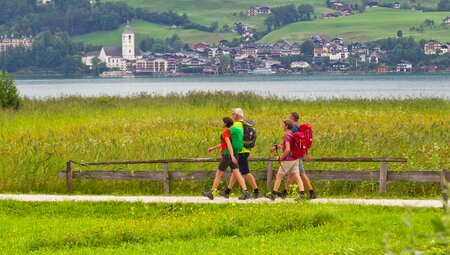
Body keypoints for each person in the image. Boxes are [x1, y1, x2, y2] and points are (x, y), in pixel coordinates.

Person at [202, 116, 250, 200]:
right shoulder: (231, 132)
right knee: (237, 173)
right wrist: (213, 147)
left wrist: (231, 156)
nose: (221, 123)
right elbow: (224, 144)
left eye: (222, 122)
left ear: (225, 123)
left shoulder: (225, 133)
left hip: (228, 156)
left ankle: (211, 192)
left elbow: (228, 144)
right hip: (235, 155)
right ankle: (245, 191)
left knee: (218, 173)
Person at [218, 108, 261, 199]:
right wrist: (250, 150)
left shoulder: (237, 125)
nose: (232, 115)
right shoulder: (246, 124)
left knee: (245, 172)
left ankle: (256, 191)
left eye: (233, 114)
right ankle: (227, 191)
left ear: (237, 115)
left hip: (240, 152)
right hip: (246, 150)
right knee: (236, 171)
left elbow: (233, 140)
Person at [267, 119, 305, 201]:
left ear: (286, 126)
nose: (282, 126)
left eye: (283, 125)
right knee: (297, 176)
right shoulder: (292, 135)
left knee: (279, 176)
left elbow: (287, 149)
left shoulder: (287, 136)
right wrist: (279, 146)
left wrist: (280, 157)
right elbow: (289, 147)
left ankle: (273, 194)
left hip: (288, 160)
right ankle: (302, 193)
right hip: (295, 159)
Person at [283, 112, 317, 199]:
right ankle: (285, 192)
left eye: (289, 117)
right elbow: (304, 142)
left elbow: (291, 141)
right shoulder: (299, 127)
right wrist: (306, 153)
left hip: (295, 154)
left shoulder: (293, 128)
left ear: (292, 118)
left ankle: (311, 192)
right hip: (299, 153)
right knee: (292, 173)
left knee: (301, 173)